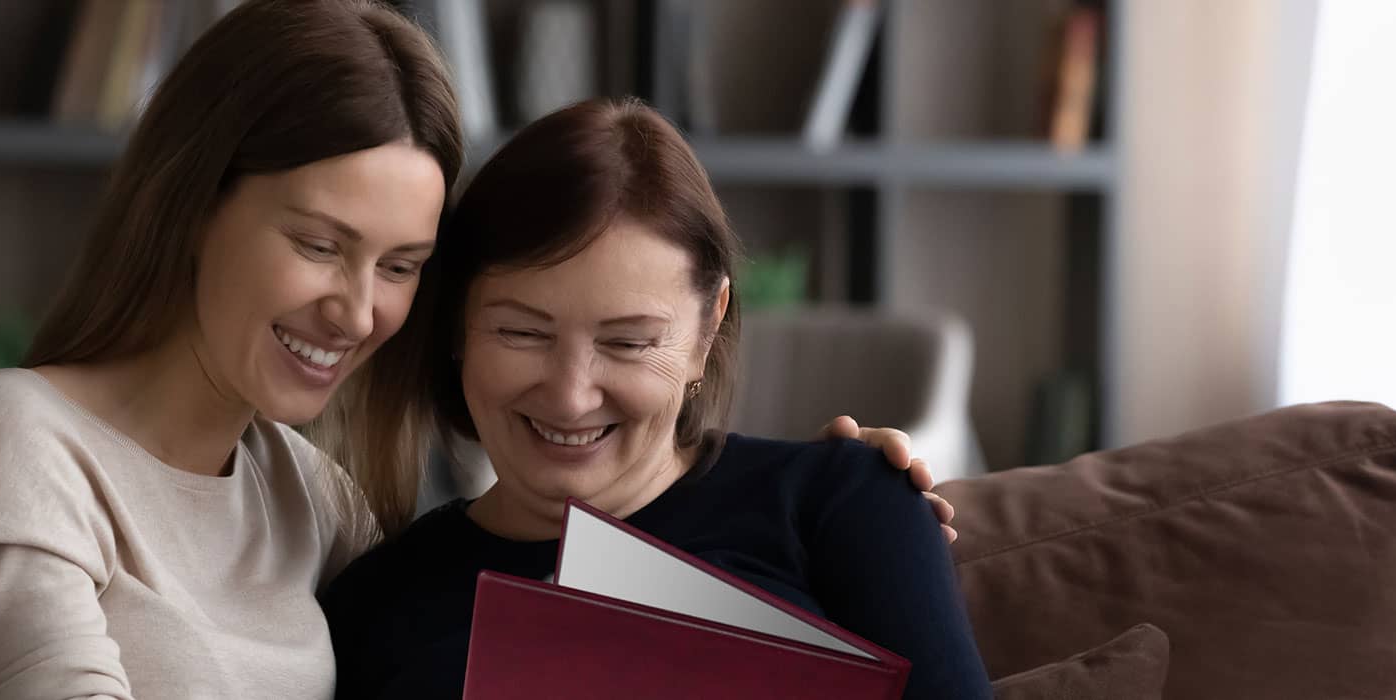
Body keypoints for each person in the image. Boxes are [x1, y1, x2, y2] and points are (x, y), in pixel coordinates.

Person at [0, 1, 952, 697]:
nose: (355, 310)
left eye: (398, 265)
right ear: (188, 205)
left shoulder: (317, 506)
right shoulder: (16, 436)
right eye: (318, 244)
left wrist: (850, 493)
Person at [321, 98, 992, 699]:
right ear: (458, 328)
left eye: (628, 343)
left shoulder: (844, 504)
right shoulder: (372, 606)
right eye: (522, 332)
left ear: (708, 327)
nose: (571, 394)